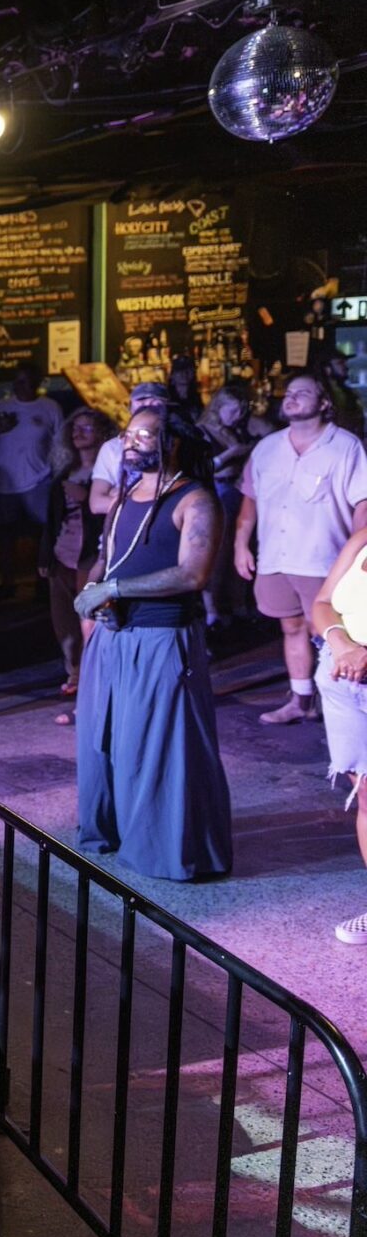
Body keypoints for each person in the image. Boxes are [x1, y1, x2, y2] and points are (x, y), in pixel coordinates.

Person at [72, 408, 231, 880]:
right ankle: (110, 833)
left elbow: (192, 573)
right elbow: (107, 560)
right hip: (112, 637)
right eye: (127, 434)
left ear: (172, 442)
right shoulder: (123, 498)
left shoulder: (195, 499)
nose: (131, 442)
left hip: (162, 637)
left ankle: (163, 850)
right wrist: (94, 591)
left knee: (156, 749)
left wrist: (115, 589)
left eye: (144, 434)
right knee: (103, 743)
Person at [233, 374, 367, 726]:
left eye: (302, 393)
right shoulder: (267, 448)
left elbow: (362, 503)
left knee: (325, 630)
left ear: (323, 402)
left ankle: (335, 701)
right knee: (291, 627)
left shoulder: (345, 446)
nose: (291, 398)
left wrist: (357, 555)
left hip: (323, 558)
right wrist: (240, 545)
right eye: (289, 393)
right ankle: (301, 700)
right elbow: (250, 501)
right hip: (275, 557)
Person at [306, 526, 367, 943]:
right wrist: (342, 643)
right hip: (343, 679)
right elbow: (323, 603)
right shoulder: (363, 537)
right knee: (366, 795)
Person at [41, 409, 112, 715]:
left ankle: (94, 677)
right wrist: (45, 555)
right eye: (75, 428)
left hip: (92, 556)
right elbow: (50, 520)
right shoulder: (64, 473)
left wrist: (85, 497)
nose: (79, 433)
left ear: (103, 434)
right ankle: (74, 672)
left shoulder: (108, 473)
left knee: (91, 619)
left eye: (87, 428)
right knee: (64, 621)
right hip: (62, 554)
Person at [0, 365, 64, 594]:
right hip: (5, 482)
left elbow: (61, 444)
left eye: (25, 381)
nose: (20, 386)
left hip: (39, 480)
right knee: (6, 536)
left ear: (36, 382)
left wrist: (58, 475)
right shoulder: (1, 407)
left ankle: (42, 584)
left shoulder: (50, 408)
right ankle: (7, 583)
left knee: (42, 534)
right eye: (16, 381)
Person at [196, 385, 257, 630]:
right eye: (233, 411)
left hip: (238, 490)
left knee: (241, 549)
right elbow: (201, 467)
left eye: (241, 411)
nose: (237, 416)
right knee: (218, 554)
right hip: (218, 491)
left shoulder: (237, 430)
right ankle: (212, 612)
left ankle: (238, 605)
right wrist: (232, 453)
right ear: (218, 408)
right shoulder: (202, 431)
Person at [90, 381, 171, 516]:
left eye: (155, 403)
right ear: (130, 407)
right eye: (141, 402)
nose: (147, 406)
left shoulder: (173, 444)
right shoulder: (112, 447)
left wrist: (119, 494)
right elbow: (96, 503)